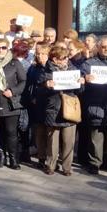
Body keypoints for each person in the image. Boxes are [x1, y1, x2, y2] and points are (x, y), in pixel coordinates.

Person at [37, 46, 85, 176]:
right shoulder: (46, 71)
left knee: (69, 141)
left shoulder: (73, 69)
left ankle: (67, 167)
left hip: (70, 108)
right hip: (53, 109)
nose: (65, 60)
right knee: (52, 141)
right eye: (62, 58)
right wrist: (46, 86)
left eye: (66, 58)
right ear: (55, 59)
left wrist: (82, 83)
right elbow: (39, 92)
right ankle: (51, 165)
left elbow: (80, 91)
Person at [80, 36, 107, 174]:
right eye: (104, 46)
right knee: (96, 137)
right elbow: (79, 84)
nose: (106, 49)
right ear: (98, 47)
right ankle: (94, 164)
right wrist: (85, 79)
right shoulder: (88, 64)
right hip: (95, 105)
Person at [0, 38, 26, 170]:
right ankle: (1, 156)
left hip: (10, 102)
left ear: (8, 48)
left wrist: (13, 91)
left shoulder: (14, 63)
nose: (0, 50)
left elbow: (23, 81)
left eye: (3, 47)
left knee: (11, 132)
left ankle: (13, 159)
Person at [21, 43, 51, 169]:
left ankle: (51, 159)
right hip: (36, 104)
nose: (40, 56)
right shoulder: (33, 68)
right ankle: (41, 158)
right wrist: (31, 97)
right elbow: (28, 85)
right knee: (39, 132)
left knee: (50, 133)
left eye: (43, 54)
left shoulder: (52, 67)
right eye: (38, 54)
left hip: (50, 104)